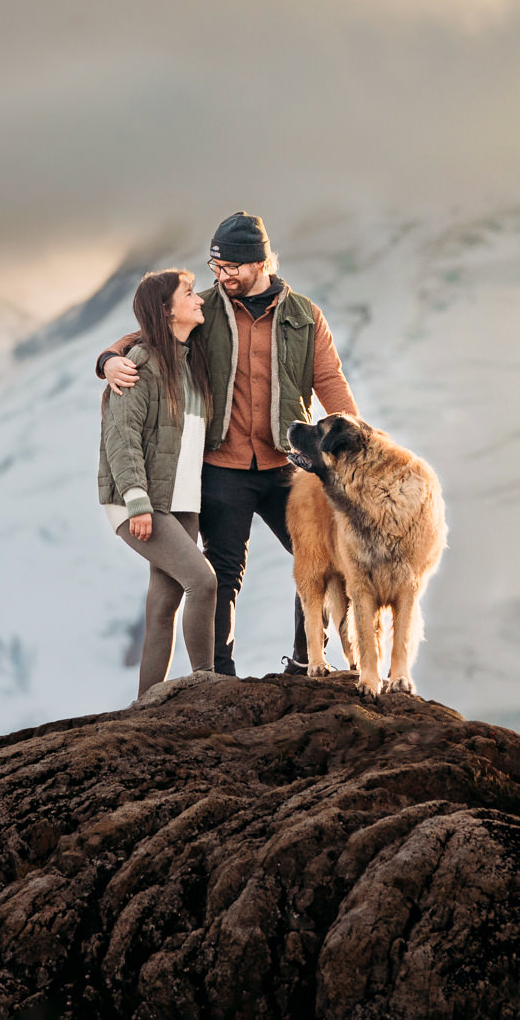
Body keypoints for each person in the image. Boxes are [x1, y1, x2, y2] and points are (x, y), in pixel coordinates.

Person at [98, 212, 358, 676]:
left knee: (321, 557)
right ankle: (219, 676)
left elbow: (329, 380)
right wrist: (108, 360)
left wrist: (352, 439)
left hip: (287, 466)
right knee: (222, 572)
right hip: (222, 466)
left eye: (230, 268)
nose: (221, 276)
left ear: (258, 262)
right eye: (215, 267)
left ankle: (305, 663)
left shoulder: (304, 315)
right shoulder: (204, 309)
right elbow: (144, 335)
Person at [98, 268, 217, 697]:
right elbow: (121, 436)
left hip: (179, 498)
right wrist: (137, 501)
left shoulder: (190, 360)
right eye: (189, 294)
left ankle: (147, 704)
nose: (199, 299)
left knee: (164, 602)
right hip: (141, 499)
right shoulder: (139, 365)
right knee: (202, 582)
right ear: (167, 311)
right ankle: (209, 684)